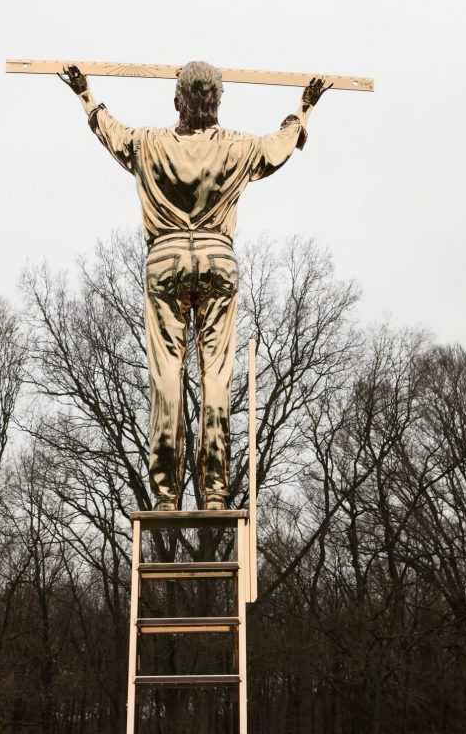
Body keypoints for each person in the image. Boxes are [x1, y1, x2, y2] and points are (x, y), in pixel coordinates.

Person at [59, 61, 331, 511]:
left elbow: (110, 132)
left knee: (166, 375)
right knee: (216, 376)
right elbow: (280, 145)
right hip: (218, 259)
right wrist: (304, 109)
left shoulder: (149, 143)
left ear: (177, 101)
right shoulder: (239, 147)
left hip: (165, 260)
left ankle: (166, 494)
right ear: (218, 102)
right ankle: (217, 492)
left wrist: (86, 94)